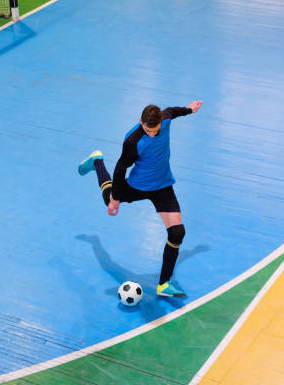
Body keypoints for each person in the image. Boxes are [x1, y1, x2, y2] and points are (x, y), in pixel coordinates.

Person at [78, 100, 203, 298]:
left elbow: (173, 111)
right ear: (140, 121)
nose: (152, 133)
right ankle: (97, 162)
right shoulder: (132, 141)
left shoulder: (165, 119)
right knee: (108, 198)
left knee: (177, 232)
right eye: (148, 130)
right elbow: (120, 170)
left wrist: (190, 110)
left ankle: (164, 284)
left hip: (162, 185)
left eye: (155, 130)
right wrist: (116, 199)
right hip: (137, 186)